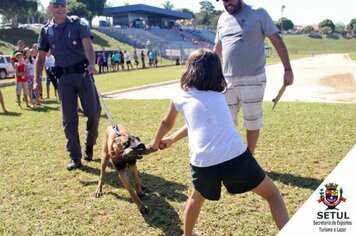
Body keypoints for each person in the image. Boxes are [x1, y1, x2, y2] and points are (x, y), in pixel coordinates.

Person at [149, 49, 289, 236]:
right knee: (273, 195)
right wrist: (172, 139)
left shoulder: (180, 96)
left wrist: (155, 142)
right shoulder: (221, 94)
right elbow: (198, 124)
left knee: (195, 199)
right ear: (217, 72)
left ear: (189, 69)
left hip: (203, 163)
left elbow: (166, 122)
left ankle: (187, 235)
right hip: (235, 156)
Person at [214, 0, 294, 154]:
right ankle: (230, 155)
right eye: (224, 0)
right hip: (226, 80)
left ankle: (248, 158)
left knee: (252, 121)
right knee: (226, 122)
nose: (227, 3)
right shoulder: (222, 18)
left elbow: (276, 40)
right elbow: (218, 48)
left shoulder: (259, 12)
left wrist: (288, 69)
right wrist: (211, 73)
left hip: (253, 77)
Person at [35, 0, 101, 171]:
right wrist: (36, 80)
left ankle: (89, 144)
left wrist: (92, 62)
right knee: (69, 118)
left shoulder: (78, 24)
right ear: (50, 8)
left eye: (62, 6)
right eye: (56, 6)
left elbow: (87, 44)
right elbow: (41, 57)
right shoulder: (46, 31)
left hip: (83, 75)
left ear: (66, 7)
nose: (60, 9)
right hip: (63, 79)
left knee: (93, 112)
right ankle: (75, 156)